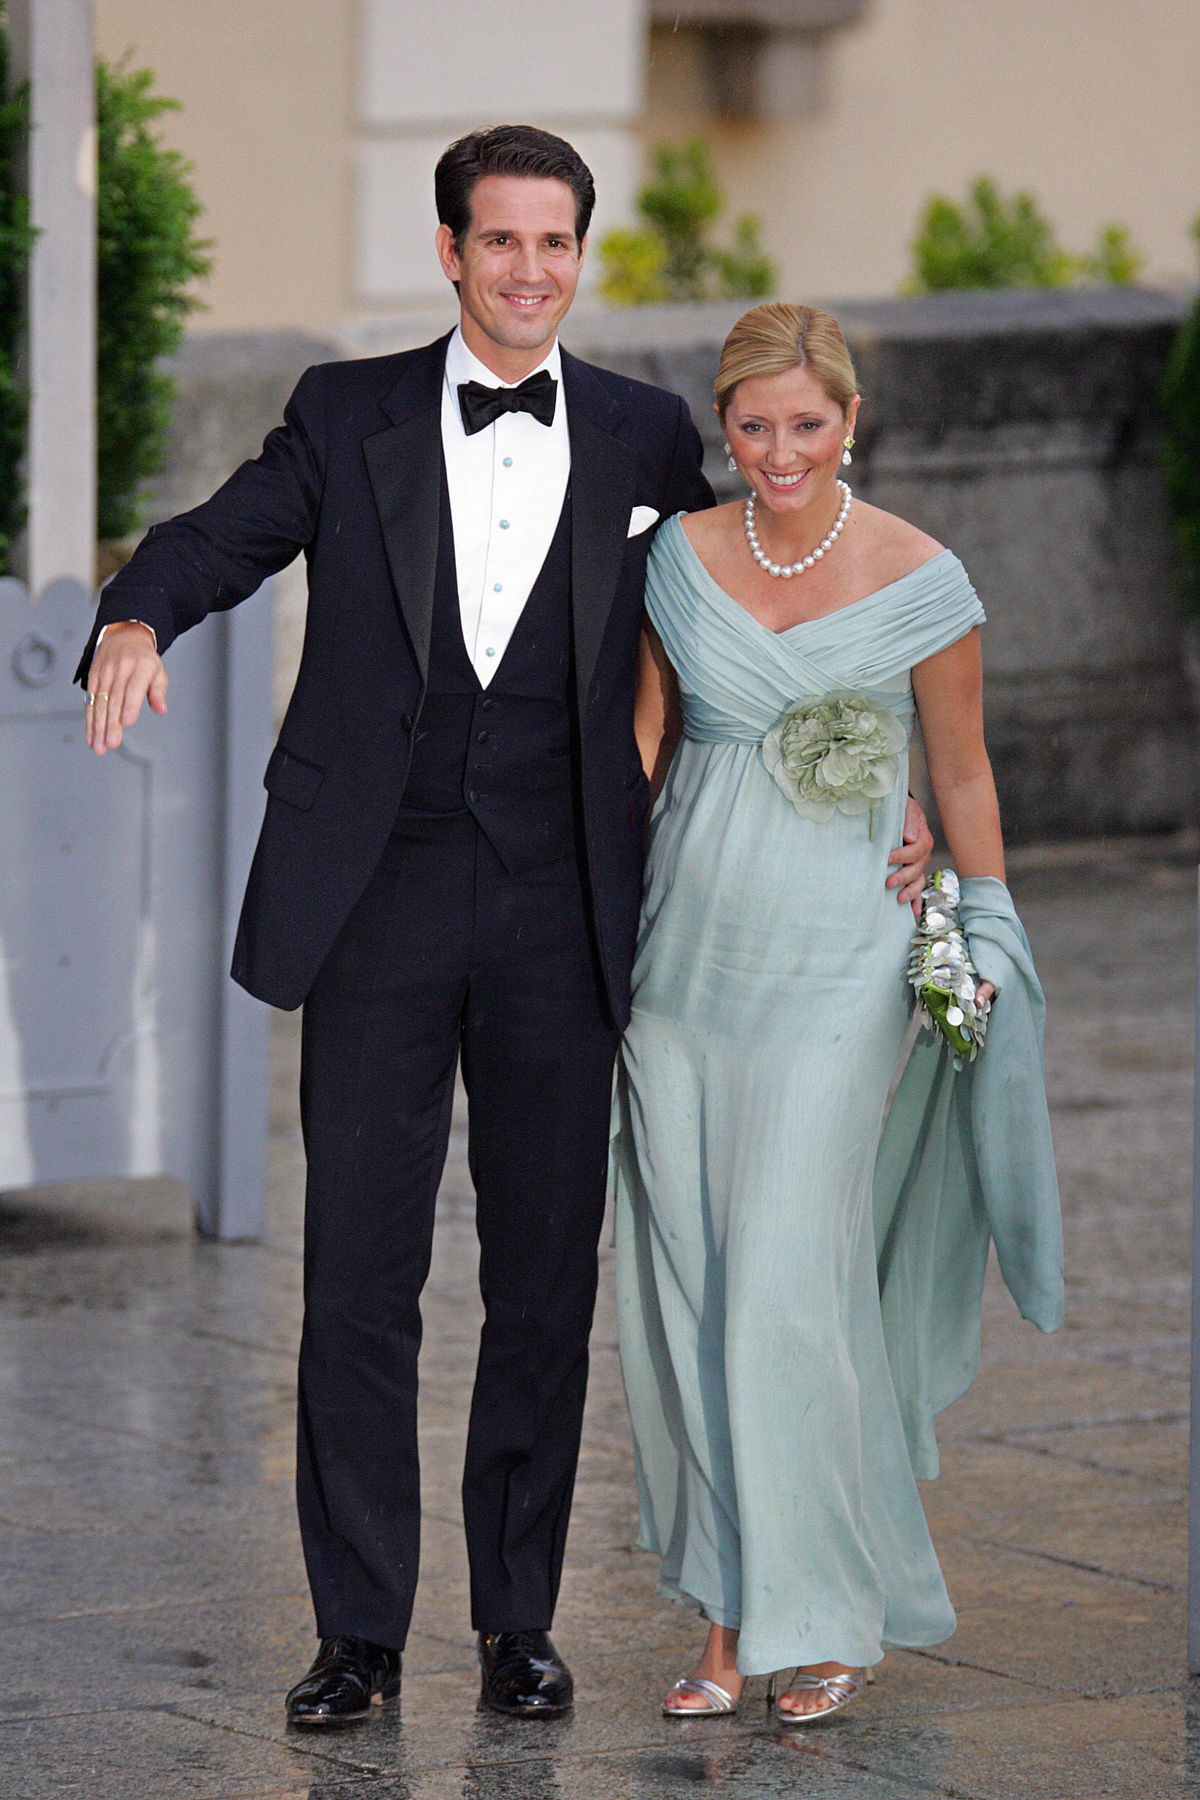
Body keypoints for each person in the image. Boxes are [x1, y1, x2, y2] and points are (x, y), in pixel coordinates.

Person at [77, 138, 934, 1727]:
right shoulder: (350, 414)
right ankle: (358, 1631)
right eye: (500, 241)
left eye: (556, 243)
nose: (529, 269)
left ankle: (518, 1622)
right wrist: (136, 611)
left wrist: (894, 790)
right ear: (451, 251)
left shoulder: (643, 432)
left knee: (544, 1278)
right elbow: (224, 529)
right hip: (376, 900)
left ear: (578, 255)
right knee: (357, 1278)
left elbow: (768, 599)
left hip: (568, 904)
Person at [612, 302, 1062, 1725]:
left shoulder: (924, 578)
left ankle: (822, 1613)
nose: (780, 450)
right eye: (755, 425)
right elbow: (644, 744)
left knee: (789, 1279)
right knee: (691, 1278)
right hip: (681, 952)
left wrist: (983, 922)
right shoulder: (674, 560)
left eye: (807, 424)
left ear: (849, 422)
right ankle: (730, 1614)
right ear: (725, 425)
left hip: (844, 949)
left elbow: (967, 773)